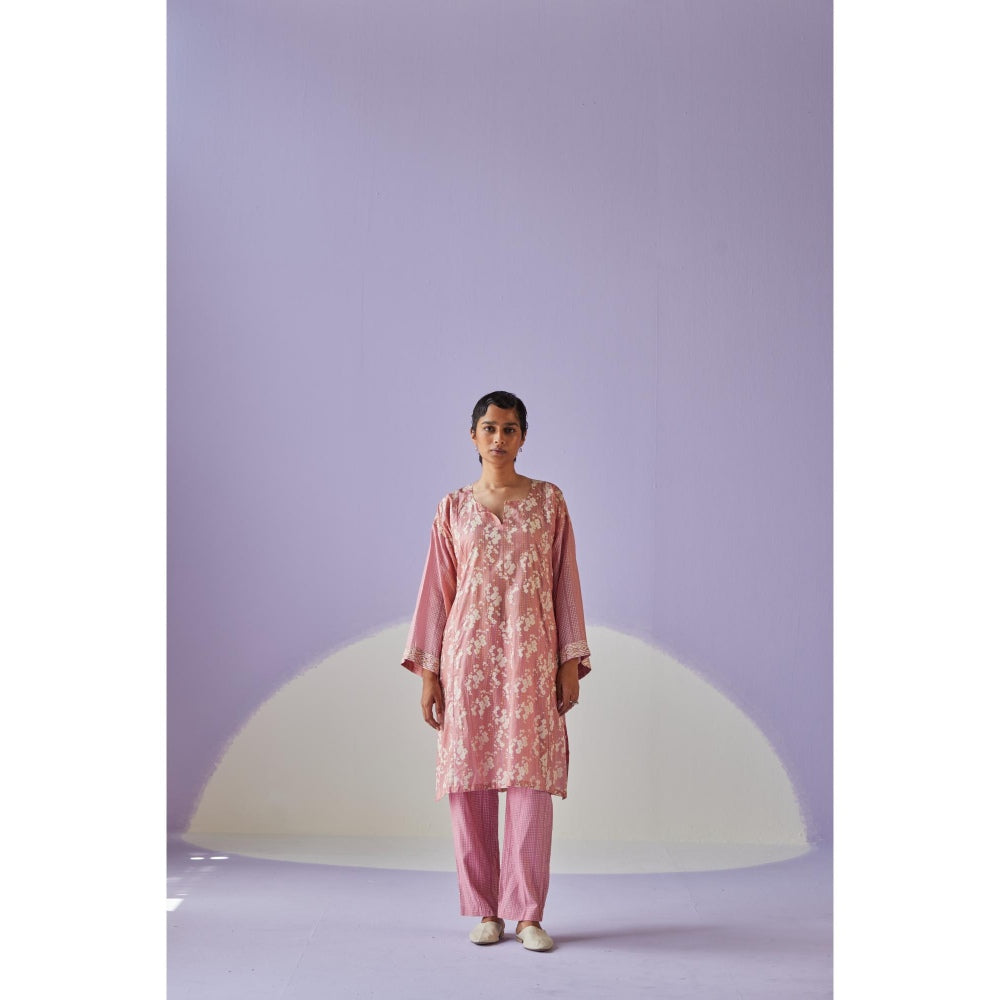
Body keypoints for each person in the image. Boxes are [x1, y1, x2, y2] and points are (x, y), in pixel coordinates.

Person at [401, 390, 591, 952]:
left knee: (530, 781)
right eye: (489, 427)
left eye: (509, 429)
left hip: (531, 661)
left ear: (523, 437)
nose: (499, 438)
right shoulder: (453, 509)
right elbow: (437, 592)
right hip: (469, 661)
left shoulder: (549, 502)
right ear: (473, 436)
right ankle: (486, 910)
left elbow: (565, 581)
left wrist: (570, 662)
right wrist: (430, 674)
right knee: (470, 783)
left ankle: (527, 914)